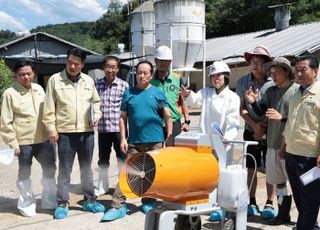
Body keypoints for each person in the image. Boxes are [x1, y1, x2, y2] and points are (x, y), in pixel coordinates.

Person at [101, 60, 172, 222]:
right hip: (134, 142)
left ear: (150, 74)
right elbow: (122, 118)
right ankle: (117, 206)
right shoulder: (129, 93)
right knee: (128, 174)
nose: (142, 75)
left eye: (145, 73)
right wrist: (123, 139)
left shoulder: (158, 92)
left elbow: (167, 114)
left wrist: (167, 137)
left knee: (151, 174)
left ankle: (149, 201)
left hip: (155, 141)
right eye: (139, 72)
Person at [42, 48, 105, 219]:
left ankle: (89, 200)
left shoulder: (88, 81)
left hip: (87, 132)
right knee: (65, 169)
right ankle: (62, 202)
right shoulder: (55, 80)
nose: (72, 65)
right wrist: (51, 129)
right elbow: (48, 108)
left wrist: (97, 116)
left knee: (86, 169)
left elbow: (96, 103)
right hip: (65, 133)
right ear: (66, 61)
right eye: (70, 61)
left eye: (77, 63)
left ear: (82, 65)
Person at [180, 60, 240, 221]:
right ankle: (209, 204)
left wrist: (228, 138)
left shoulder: (232, 97)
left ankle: (220, 207)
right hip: (205, 142)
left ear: (226, 76)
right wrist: (187, 94)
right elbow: (195, 100)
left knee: (221, 175)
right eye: (212, 76)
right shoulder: (206, 92)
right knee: (206, 174)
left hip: (223, 143)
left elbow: (233, 120)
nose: (215, 78)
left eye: (218, 75)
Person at [245, 57, 299, 224]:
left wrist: (281, 118)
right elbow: (263, 111)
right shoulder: (270, 91)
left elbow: (299, 119)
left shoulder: (298, 91)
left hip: (292, 146)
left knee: (298, 186)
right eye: (271, 73)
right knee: (280, 184)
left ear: (287, 71)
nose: (273, 76)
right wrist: (253, 102)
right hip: (272, 144)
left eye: (277, 72)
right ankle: (283, 215)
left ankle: (307, 220)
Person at [0, 60, 57, 217]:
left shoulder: (39, 89)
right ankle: (27, 204)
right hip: (24, 142)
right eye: (21, 74)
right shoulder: (9, 94)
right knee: (24, 173)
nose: (26, 77)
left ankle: (49, 200)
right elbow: (5, 122)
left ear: (33, 74)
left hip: (44, 140)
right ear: (15, 76)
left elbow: (48, 112)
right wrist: (13, 144)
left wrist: (52, 130)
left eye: (28, 73)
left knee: (50, 169)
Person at [236, 45, 276, 218]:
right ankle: (251, 200)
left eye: (260, 61)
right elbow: (241, 108)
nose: (256, 64)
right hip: (249, 130)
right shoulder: (242, 82)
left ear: (266, 64)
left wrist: (263, 127)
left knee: (270, 168)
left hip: (271, 131)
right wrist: (255, 126)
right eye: (253, 61)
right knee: (251, 167)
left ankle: (270, 202)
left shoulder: (273, 82)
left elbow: (275, 107)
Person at [281, 55, 320, 230]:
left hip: (310, 157)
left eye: (303, 69)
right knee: (299, 196)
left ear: (315, 71)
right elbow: (291, 122)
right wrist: (284, 146)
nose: (298, 73)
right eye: (296, 69)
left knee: (310, 199)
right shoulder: (296, 93)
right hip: (292, 154)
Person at [94, 56, 129, 196]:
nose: (111, 70)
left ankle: (123, 185)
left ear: (118, 69)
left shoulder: (124, 86)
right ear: (104, 67)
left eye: (114, 67)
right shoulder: (97, 85)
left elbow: (127, 109)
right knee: (103, 159)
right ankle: (103, 185)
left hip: (119, 130)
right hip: (103, 129)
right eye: (108, 66)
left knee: (122, 158)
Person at [151, 45, 189, 146]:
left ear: (170, 62)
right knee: (157, 153)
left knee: (173, 153)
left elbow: (183, 101)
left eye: (166, 61)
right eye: (161, 60)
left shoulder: (178, 79)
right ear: (155, 61)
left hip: (174, 122)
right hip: (155, 123)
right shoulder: (150, 81)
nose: (163, 63)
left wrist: (187, 121)